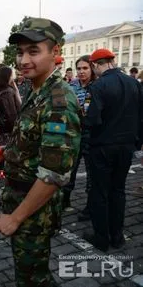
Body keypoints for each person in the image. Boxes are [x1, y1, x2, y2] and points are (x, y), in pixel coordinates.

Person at [0, 17, 81, 287]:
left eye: (33, 51)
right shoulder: (37, 90)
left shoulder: (58, 100)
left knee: (33, 277)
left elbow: (54, 173)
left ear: (55, 53)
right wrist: (7, 152)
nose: (23, 60)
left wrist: (15, 217)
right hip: (21, 196)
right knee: (29, 271)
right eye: (20, 52)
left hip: (33, 209)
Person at [83, 48, 143, 251]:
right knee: (118, 190)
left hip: (102, 146)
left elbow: (91, 118)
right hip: (126, 146)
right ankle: (117, 236)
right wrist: (137, 142)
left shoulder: (98, 86)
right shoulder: (134, 83)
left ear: (96, 65)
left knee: (100, 192)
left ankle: (101, 237)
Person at [61, 55, 96, 212]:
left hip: (91, 135)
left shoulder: (97, 86)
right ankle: (65, 200)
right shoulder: (72, 86)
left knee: (91, 171)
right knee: (70, 169)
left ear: (92, 68)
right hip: (73, 134)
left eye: (85, 68)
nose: (81, 72)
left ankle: (90, 205)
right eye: (79, 68)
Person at [0, 66, 21, 145]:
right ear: (7, 76)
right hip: (8, 133)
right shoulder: (7, 92)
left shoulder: (1, 89)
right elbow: (11, 115)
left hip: (2, 131)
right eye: (12, 75)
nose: (14, 77)